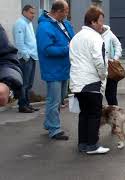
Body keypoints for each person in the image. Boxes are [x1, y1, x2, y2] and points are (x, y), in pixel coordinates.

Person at [69, 6, 110, 154]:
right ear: (93, 22)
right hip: (91, 81)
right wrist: (103, 75)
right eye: (100, 21)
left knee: (84, 113)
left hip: (77, 82)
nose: (102, 24)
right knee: (94, 114)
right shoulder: (95, 38)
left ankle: (83, 144)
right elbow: (99, 61)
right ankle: (92, 146)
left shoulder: (76, 37)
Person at [36, 0, 74, 140]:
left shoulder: (64, 23)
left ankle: (49, 123)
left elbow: (73, 39)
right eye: (66, 11)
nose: (67, 14)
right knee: (54, 100)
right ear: (58, 11)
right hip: (53, 69)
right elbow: (46, 50)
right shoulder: (44, 27)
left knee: (59, 99)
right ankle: (54, 129)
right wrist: (67, 49)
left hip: (64, 68)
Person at [12, 5, 39, 113]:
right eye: (31, 13)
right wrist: (26, 56)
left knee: (29, 83)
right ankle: (22, 105)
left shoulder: (28, 23)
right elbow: (19, 43)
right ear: (24, 12)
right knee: (24, 83)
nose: (33, 15)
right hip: (25, 58)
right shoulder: (20, 23)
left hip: (31, 57)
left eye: (34, 13)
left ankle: (27, 104)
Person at [0, 24, 22, 107]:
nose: (33, 15)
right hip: (26, 56)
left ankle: (24, 104)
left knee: (27, 86)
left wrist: (8, 84)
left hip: (29, 57)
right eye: (31, 12)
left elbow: (6, 58)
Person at [102, 24, 122, 105]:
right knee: (97, 95)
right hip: (97, 67)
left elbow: (118, 45)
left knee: (111, 94)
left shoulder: (109, 33)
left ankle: (114, 112)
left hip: (110, 66)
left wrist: (115, 58)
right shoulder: (92, 34)